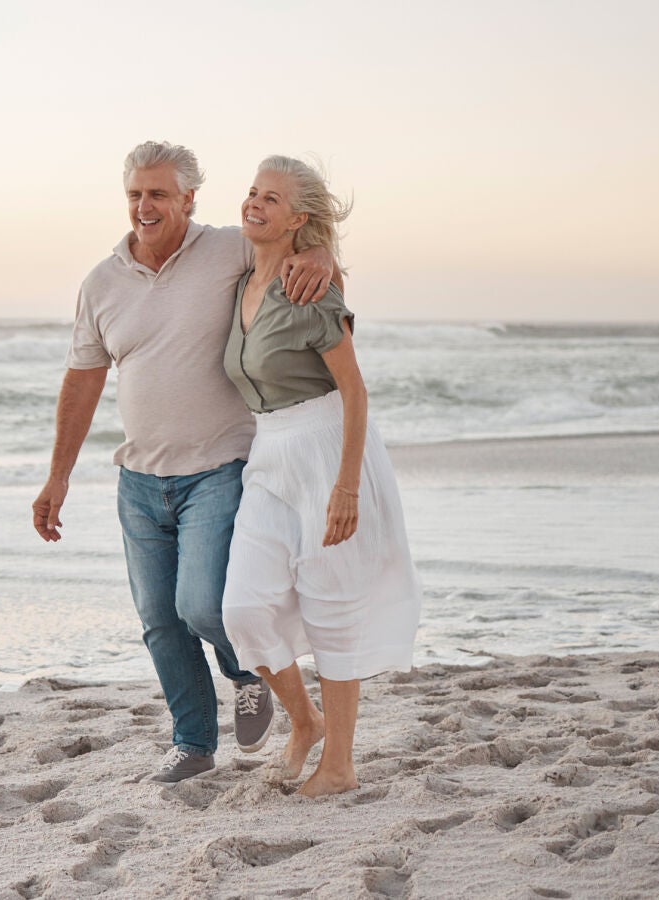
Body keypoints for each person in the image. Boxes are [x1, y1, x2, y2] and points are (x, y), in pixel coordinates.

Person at [33, 141, 336, 783]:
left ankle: (242, 673)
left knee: (203, 606)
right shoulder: (102, 282)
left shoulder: (226, 249)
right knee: (160, 622)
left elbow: (289, 238)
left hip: (219, 468)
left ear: (189, 199)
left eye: (159, 195)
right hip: (139, 479)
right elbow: (83, 380)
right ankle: (193, 744)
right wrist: (57, 476)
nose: (145, 207)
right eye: (136, 195)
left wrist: (320, 251)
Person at [220, 155, 422, 797]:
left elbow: (355, 391)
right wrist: (321, 250)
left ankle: (339, 765)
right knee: (242, 608)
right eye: (252, 191)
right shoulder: (236, 281)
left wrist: (347, 485)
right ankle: (301, 723)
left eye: (271, 199)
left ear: (298, 218)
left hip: (328, 445)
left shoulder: (313, 290)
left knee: (334, 607)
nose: (254, 203)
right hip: (269, 453)